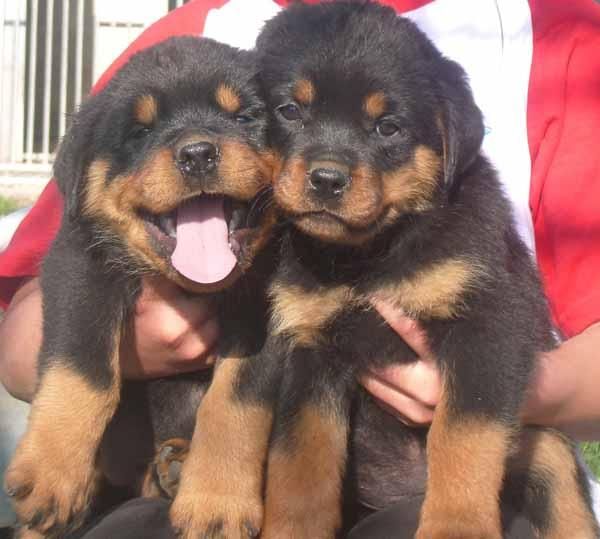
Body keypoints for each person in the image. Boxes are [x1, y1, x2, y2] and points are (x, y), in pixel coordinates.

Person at [0, 0, 599, 537]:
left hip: (454, 478)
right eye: (289, 113)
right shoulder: (208, 33)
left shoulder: (557, 35)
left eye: (387, 127)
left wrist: (510, 397)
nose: (327, 166)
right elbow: (28, 328)